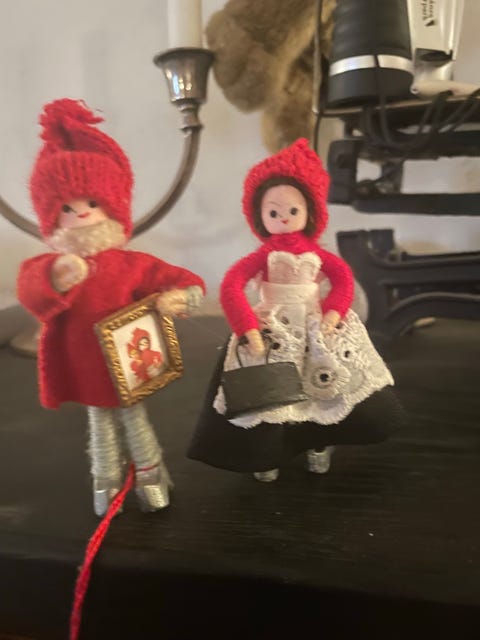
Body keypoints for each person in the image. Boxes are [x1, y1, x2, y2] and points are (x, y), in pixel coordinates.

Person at [18, 99, 205, 514]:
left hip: (131, 362)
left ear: (113, 204)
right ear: (51, 216)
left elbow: (184, 282)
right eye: (67, 207)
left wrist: (180, 298)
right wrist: (57, 276)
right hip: (85, 364)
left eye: (92, 202)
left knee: (134, 418)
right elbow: (31, 289)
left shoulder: (131, 265)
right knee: (99, 422)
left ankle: (151, 476)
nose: (82, 214)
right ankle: (106, 483)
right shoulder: (52, 265)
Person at [189, 138, 403, 481]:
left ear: (309, 212)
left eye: (292, 211)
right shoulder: (263, 256)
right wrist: (247, 326)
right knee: (270, 394)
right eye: (273, 212)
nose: (284, 219)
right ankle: (266, 455)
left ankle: (319, 445)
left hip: (316, 327)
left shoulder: (318, 254)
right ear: (260, 216)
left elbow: (343, 280)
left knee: (324, 388)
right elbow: (231, 286)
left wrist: (333, 312)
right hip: (273, 329)